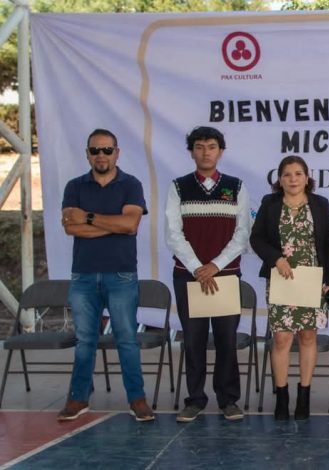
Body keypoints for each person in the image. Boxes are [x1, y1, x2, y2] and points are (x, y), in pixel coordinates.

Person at [59, 128, 154, 422]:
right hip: (83, 276)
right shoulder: (74, 186)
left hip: (121, 275)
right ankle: (78, 398)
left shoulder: (131, 184)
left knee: (126, 338)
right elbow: (70, 228)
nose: (101, 155)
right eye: (95, 150)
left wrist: (88, 217)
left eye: (107, 150)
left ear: (117, 152)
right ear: (87, 153)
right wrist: (111, 223)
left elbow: (130, 226)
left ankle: (137, 399)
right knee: (85, 339)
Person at [165, 126, 251, 422]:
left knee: (227, 338)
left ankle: (228, 400)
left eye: (211, 146)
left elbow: (242, 234)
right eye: (199, 147)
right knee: (193, 339)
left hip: (225, 275)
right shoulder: (178, 186)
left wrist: (214, 265)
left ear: (221, 151)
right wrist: (197, 268)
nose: (205, 152)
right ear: (191, 151)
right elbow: (173, 233)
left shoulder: (236, 186)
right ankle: (195, 399)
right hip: (188, 276)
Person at [250, 155, 329, 421]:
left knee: (308, 336)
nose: (293, 179)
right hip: (281, 278)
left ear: (307, 177)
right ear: (279, 179)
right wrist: (276, 258)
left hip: (313, 279)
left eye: (298, 174)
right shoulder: (269, 204)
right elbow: (256, 239)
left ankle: (304, 394)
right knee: (281, 338)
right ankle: (282, 395)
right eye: (287, 174)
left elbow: (328, 245)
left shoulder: (320, 204)